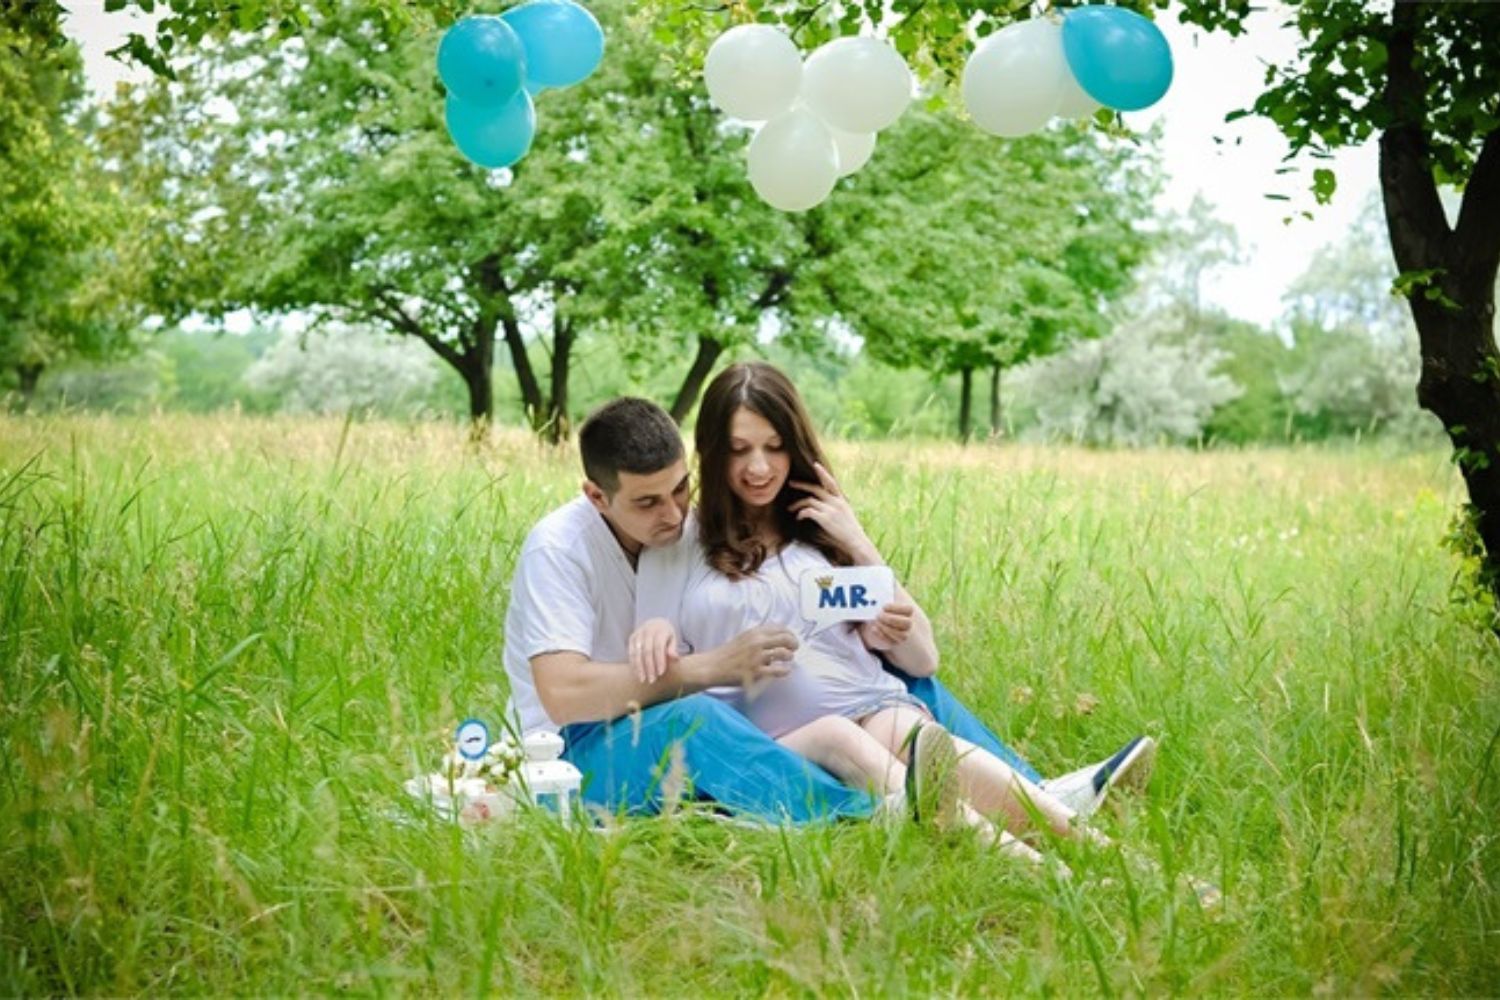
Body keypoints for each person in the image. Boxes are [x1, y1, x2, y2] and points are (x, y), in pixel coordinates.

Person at [502, 395, 1148, 824]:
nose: (673, 514)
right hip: (576, 748)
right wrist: (712, 667)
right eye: (648, 503)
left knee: (890, 676)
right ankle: (879, 813)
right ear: (595, 495)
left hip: (682, 708)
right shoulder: (559, 549)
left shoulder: (686, 533)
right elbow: (562, 694)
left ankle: (1035, 794)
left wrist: (853, 585)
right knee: (699, 716)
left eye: (681, 489)